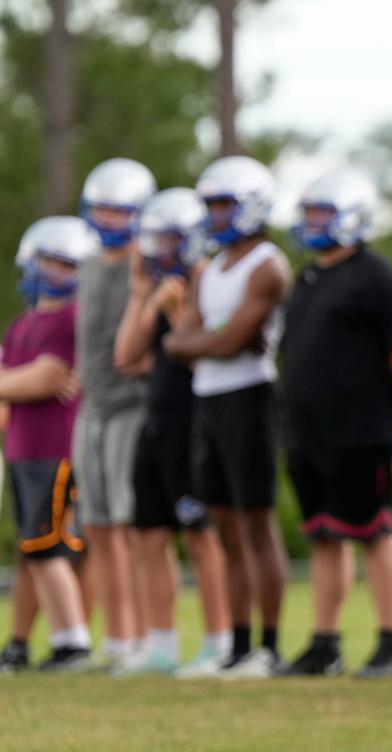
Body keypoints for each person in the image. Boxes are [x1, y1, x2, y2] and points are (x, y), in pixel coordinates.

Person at [280, 169, 392, 678]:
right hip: (310, 434)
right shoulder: (308, 276)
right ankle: (325, 642)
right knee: (323, 534)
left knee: (375, 531)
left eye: (324, 213)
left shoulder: (376, 276)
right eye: (310, 212)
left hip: (363, 432)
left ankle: (391, 641)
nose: (313, 223)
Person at [164, 155, 290, 678]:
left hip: (250, 397)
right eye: (210, 204)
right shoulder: (207, 269)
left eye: (224, 204)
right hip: (209, 400)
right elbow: (180, 344)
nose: (215, 215)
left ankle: (269, 646)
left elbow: (230, 341)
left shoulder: (267, 263)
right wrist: (203, 340)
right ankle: (236, 646)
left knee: (258, 523)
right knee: (226, 527)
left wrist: (201, 339)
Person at [114, 188, 232, 676]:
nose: (160, 250)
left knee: (200, 535)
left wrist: (172, 311)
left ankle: (218, 642)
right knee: (147, 533)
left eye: (169, 239)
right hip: (156, 422)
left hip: (194, 422)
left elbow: (191, 343)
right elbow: (125, 357)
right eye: (155, 239)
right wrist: (144, 298)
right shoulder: (159, 286)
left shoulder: (207, 278)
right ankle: (161, 647)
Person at [0, 216, 98, 670]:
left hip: (55, 450)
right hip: (21, 451)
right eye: (49, 262)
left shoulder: (73, 319)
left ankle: (73, 641)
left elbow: (46, 378)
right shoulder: (22, 325)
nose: (55, 273)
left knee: (50, 549)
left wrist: (15, 383)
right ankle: (32, 642)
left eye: (66, 265)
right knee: (33, 550)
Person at [75, 157, 157, 671]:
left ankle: (149, 639)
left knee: (131, 526)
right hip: (92, 407)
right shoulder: (85, 264)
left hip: (132, 406)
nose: (107, 220)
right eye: (100, 209)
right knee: (99, 527)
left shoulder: (146, 265)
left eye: (118, 211)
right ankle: (119, 639)